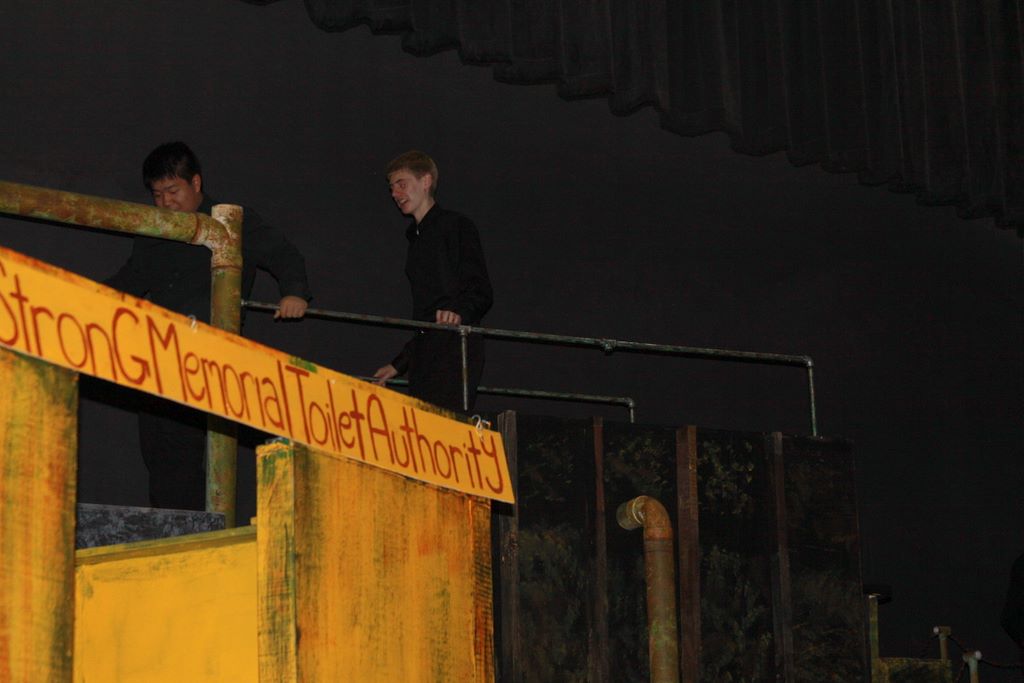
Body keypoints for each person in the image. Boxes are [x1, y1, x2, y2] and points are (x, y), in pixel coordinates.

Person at [106, 141, 311, 510]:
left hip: (206, 353)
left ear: (196, 183)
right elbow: (130, 279)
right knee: (156, 450)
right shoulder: (154, 230)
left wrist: (294, 293)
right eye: (157, 195)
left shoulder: (230, 222)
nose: (166, 202)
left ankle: (188, 531)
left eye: (173, 191)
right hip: (157, 352)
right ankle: (171, 527)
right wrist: (82, 298)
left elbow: (284, 254)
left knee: (183, 446)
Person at [373, 150, 493, 412]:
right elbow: (426, 316)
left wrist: (459, 313)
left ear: (425, 181)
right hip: (426, 355)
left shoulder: (456, 226)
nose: (395, 194)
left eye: (401, 184)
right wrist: (399, 364)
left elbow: (481, 290)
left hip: (455, 348)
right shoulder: (415, 241)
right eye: (392, 188)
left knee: (446, 426)